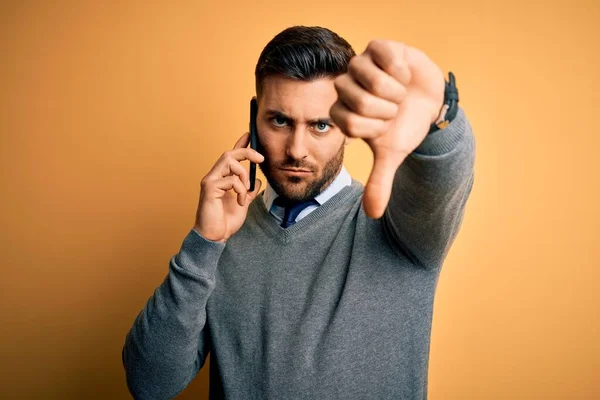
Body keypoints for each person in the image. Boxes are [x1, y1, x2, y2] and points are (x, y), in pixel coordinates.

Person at [123, 25, 475, 399]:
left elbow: (441, 175)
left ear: (347, 121)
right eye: (280, 121)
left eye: (320, 125)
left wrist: (439, 115)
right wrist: (205, 243)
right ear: (254, 118)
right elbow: (150, 384)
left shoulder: (399, 226)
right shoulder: (221, 238)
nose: (296, 149)